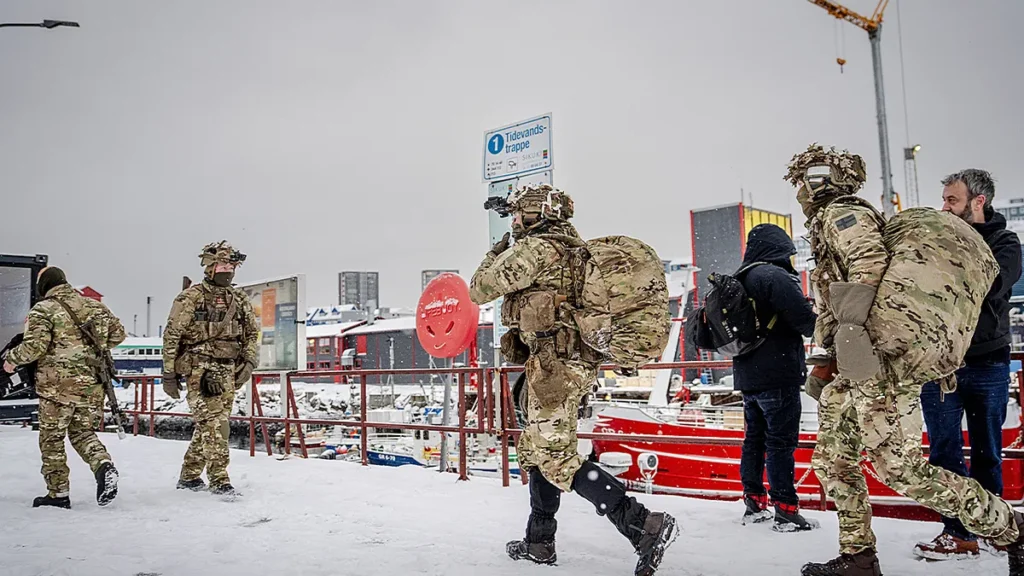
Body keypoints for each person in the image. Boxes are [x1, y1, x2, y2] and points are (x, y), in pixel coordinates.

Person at [785, 144, 1024, 576]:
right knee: (833, 461)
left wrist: (853, 342)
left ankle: (1010, 527)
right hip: (857, 357)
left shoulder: (843, 214)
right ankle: (858, 556)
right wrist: (830, 355)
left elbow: (869, 264)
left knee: (897, 466)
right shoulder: (827, 222)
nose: (801, 187)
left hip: (877, 358)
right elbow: (836, 295)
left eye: (807, 178)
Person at [470, 184, 678, 576]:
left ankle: (644, 525)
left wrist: (495, 253)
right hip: (563, 364)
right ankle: (539, 542)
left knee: (554, 456)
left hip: (556, 369)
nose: (514, 221)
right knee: (536, 449)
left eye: (518, 214)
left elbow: (479, 289)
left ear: (535, 214)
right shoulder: (574, 251)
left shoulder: (536, 250)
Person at [913, 169, 1023, 559]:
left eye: (952, 200)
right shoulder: (936, 240)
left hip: (988, 364)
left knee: (987, 451)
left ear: (979, 202)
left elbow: (992, 282)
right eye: (943, 199)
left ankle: (995, 528)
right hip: (938, 365)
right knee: (943, 452)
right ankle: (957, 533)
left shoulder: (1004, 242)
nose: (945, 207)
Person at [1, 267, 125, 509]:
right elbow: (118, 335)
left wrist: (11, 361)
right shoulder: (95, 307)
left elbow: (35, 347)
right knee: (82, 433)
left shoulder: (43, 309)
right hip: (92, 385)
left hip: (56, 388)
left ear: (44, 286)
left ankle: (58, 494)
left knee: (52, 439)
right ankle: (103, 465)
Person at [732, 223, 818, 531]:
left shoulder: (740, 277)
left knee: (754, 439)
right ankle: (786, 508)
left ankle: (754, 501)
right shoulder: (775, 276)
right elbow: (806, 323)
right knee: (781, 442)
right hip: (778, 373)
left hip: (747, 375)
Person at [161, 241, 258, 496]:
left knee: (212, 423)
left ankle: (190, 476)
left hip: (229, 369)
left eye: (232, 266)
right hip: (199, 368)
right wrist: (168, 374)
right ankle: (220, 480)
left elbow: (252, 333)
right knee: (216, 426)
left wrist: (248, 362)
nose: (229, 271)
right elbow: (172, 336)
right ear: (211, 267)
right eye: (224, 266)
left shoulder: (238, 299)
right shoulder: (191, 297)